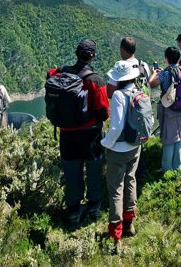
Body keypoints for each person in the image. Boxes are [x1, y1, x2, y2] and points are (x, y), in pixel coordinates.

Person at [55, 40, 110, 225]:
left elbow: (51, 79)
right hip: (90, 134)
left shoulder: (61, 74)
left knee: (71, 171)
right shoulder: (95, 80)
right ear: (93, 56)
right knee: (94, 169)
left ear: (76, 53)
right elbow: (104, 111)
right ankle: (94, 205)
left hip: (67, 134)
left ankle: (73, 210)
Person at [101, 60, 142, 244]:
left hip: (118, 149)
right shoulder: (137, 90)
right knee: (131, 181)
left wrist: (106, 143)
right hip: (135, 145)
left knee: (116, 188)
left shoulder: (118, 95)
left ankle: (115, 234)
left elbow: (116, 127)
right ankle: (129, 224)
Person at [106, 37, 151, 187]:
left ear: (123, 50)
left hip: (124, 114)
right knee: (136, 147)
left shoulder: (120, 69)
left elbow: (109, 93)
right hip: (140, 113)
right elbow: (148, 86)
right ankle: (139, 176)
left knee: (124, 149)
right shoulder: (143, 65)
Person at [149, 47, 181, 171]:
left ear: (166, 58)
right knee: (178, 138)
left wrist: (155, 73)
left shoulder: (165, 73)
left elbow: (151, 84)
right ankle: (177, 167)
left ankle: (166, 168)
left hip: (169, 110)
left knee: (168, 139)